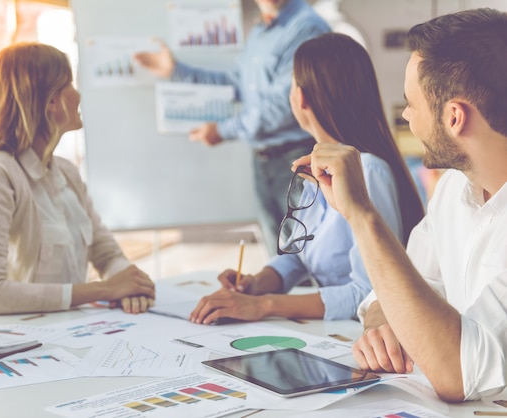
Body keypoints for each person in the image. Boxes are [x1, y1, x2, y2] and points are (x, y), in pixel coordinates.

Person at [293, 8, 507, 402]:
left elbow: (459, 375)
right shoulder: (454, 190)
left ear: (455, 117)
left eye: (411, 104)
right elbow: (408, 280)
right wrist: (381, 326)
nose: (406, 116)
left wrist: (361, 214)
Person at [189, 33, 424, 324]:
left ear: (299, 97)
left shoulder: (370, 172)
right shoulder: (316, 164)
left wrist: (263, 306)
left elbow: (369, 293)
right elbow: (298, 254)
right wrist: (258, 283)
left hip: (362, 335)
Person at [0, 42, 155, 321]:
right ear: (49, 101)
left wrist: (130, 285)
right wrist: (103, 289)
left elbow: (106, 253)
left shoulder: (66, 172)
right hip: (5, 347)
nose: (78, 95)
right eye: (69, 84)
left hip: (60, 335)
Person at [134, 0, 330, 256]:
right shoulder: (261, 32)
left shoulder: (306, 27)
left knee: (305, 255)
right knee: (280, 253)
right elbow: (236, 83)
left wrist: (223, 130)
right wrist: (177, 72)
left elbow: (280, 107)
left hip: (296, 159)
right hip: (264, 160)